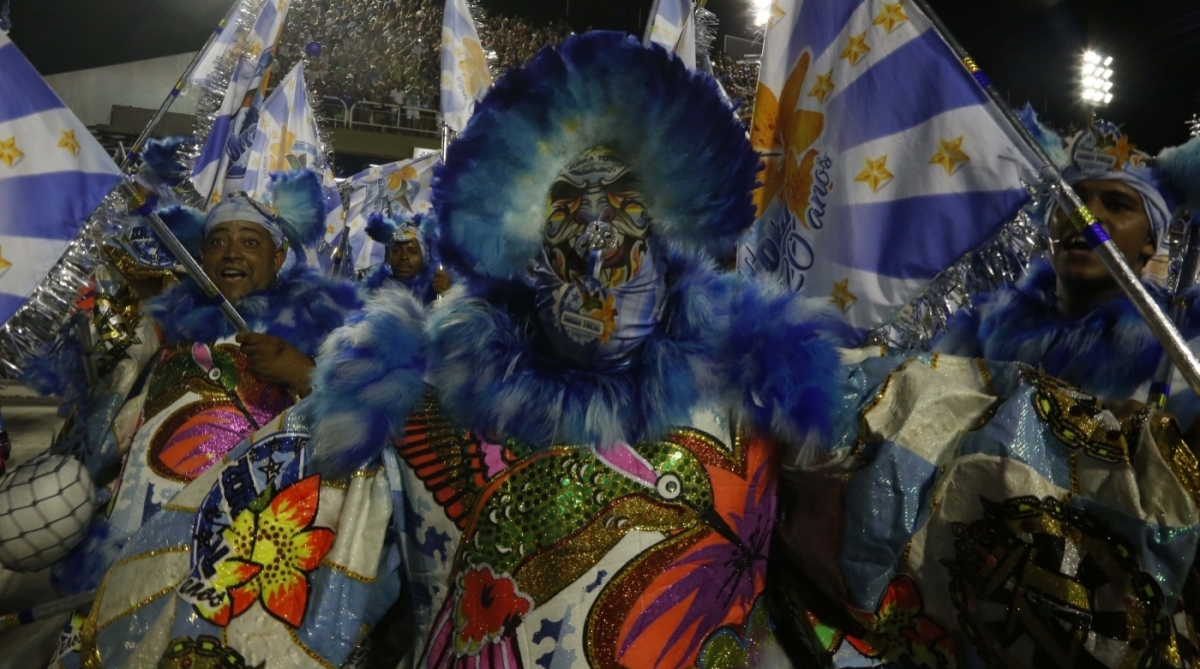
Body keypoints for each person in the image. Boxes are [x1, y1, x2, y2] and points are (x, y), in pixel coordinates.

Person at [80, 32, 845, 668]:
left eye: (627, 200)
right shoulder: (413, 392)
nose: (597, 228)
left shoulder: (765, 385)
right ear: (517, 229)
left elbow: (852, 588)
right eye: (567, 203)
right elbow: (254, 591)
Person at [935, 114, 1200, 417]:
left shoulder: (1186, 349)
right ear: (1050, 226)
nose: (1086, 215)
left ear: (1149, 242)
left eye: (1117, 204)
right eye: (1072, 200)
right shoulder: (975, 341)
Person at [360, 212, 451, 302]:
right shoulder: (373, 291)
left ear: (424, 257)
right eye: (397, 251)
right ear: (389, 257)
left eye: (412, 252)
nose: (404, 256)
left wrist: (448, 295)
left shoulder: (440, 286)